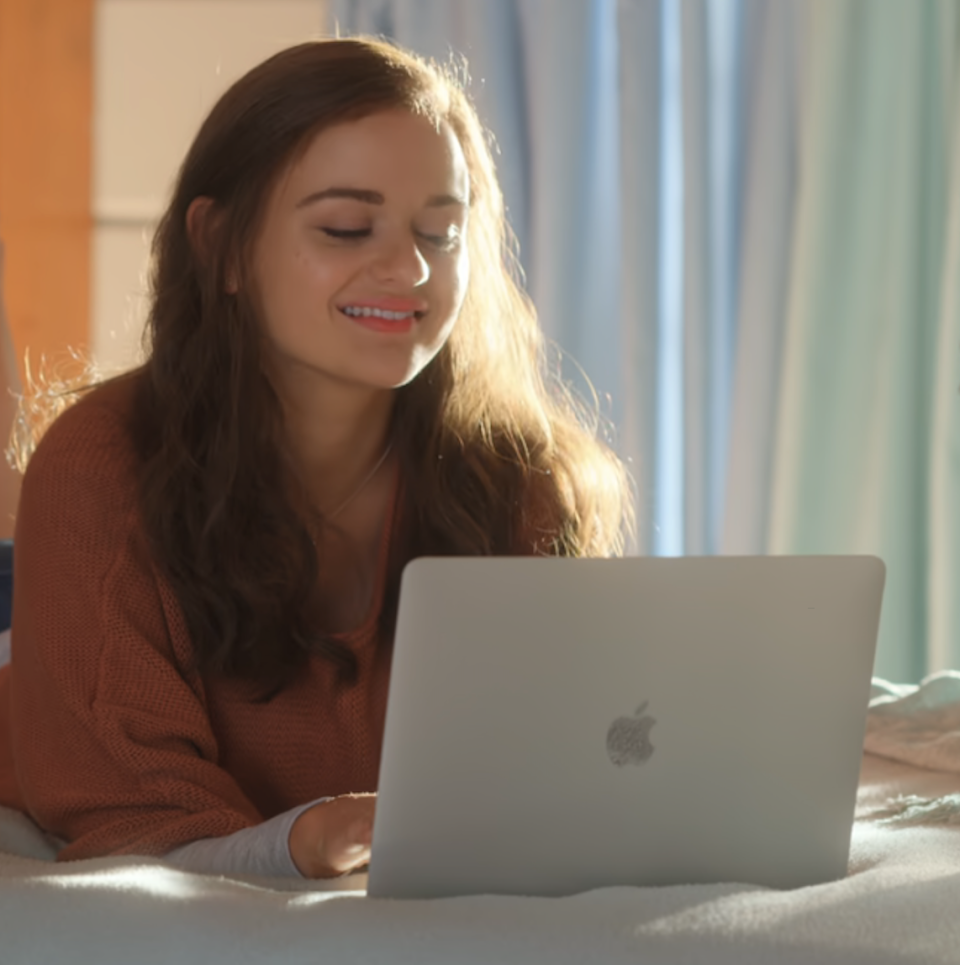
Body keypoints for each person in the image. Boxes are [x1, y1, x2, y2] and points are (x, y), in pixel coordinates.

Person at [0, 37, 633, 879]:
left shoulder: (523, 478)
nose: (408, 267)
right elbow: (123, 815)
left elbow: (568, 763)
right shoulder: (99, 466)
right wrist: (296, 843)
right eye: (345, 226)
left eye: (441, 233)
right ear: (220, 244)